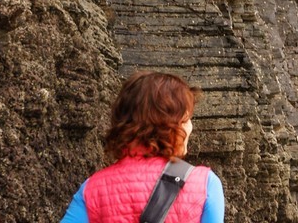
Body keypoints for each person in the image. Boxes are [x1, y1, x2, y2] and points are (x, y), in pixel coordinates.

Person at [59, 71, 224, 223]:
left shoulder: (93, 189)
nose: (190, 127)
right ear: (172, 126)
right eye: (186, 120)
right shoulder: (205, 185)